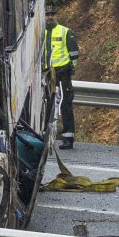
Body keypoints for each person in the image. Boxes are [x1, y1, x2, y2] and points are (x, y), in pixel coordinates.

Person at [47, 9, 80, 148]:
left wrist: (70, 68)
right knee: (46, 105)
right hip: (45, 73)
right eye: (46, 14)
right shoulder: (38, 32)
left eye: (51, 14)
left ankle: (68, 137)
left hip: (62, 72)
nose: (49, 17)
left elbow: (74, 53)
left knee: (65, 104)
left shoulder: (64, 31)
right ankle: (45, 135)